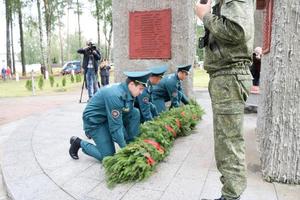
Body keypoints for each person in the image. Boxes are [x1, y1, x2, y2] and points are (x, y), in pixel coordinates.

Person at [195, 0, 254, 200]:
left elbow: (237, 32)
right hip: (225, 76)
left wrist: (205, 15)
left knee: (229, 143)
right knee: (225, 142)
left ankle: (231, 196)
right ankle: (229, 195)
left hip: (229, 75)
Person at [69, 71, 151, 161]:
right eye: (140, 89)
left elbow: (128, 111)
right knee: (108, 156)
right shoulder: (115, 95)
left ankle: (133, 142)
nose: (141, 92)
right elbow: (116, 127)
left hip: (107, 117)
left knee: (135, 112)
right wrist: (127, 150)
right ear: (131, 84)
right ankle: (78, 143)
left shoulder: (127, 91)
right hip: (95, 122)